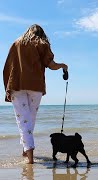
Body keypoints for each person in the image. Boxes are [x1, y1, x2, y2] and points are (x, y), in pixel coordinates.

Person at [3, 24, 68, 164]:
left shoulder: (16, 43)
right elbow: (51, 65)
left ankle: (29, 157)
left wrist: (7, 88)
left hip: (17, 85)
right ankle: (26, 152)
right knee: (29, 120)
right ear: (41, 33)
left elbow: (7, 67)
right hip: (35, 87)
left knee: (23, 121)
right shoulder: (42, 43)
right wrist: (63, 66)